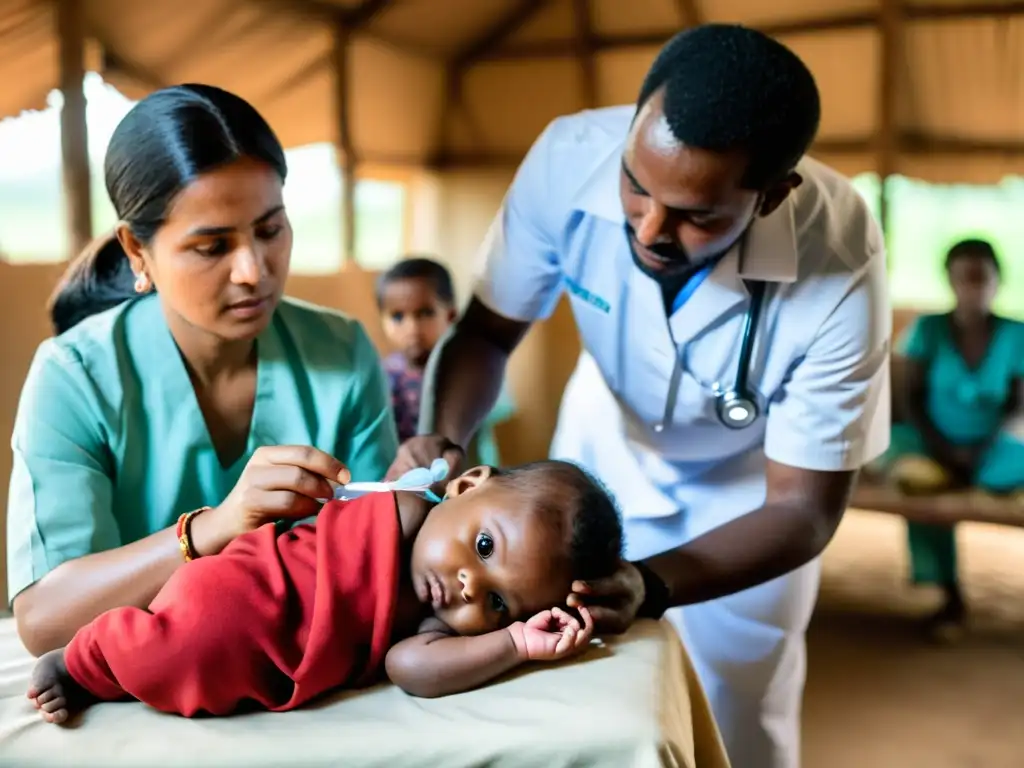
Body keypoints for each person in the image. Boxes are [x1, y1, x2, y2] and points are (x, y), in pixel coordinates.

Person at [387, 24, 890, 768]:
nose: (650, 229)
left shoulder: (841, 258)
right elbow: (488, 334)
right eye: (636, 187)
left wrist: (651, 583)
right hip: (599, 447)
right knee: (558, 687)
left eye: (698, 216)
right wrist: (441, 438)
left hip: (748, 489)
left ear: (774, 195)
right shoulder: (567, 159)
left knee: (742, 708)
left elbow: (803, 508)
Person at [6, 83, 399, 658]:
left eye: (270, 230)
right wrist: (216, 527)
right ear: (137, 253)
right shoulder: (75, 376)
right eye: (213, 247)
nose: (253, 271)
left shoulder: (341, 351)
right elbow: (44, 622)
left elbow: (382, 551)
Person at [27, 460, 620, 722]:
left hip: (269, 654)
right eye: (484, 547)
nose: (469, 586)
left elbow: (412, 669)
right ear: (465, 486)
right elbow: (343, 504)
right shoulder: (408, 510)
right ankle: (82, 663)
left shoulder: (433, 629)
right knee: (171, 647)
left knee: (192, 668)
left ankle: (103, 659)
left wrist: (514, 644)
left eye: (496, 604)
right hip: (247, 586)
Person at [876, 239, 1024, 640]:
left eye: (981, 276)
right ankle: (949, 595)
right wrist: (945, 449)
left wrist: (978, 452)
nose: (973, 285)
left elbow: (1018, 408)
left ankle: (977, 477)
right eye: (965, 276)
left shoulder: (1015, 334)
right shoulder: (928, 328)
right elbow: (911, 400)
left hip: (993, 447)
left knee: (1008, 466)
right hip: (932, 443)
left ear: (998, 281)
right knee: (915, 482)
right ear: (950, 280)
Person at [377, 256, 516, 466]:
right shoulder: (382, 375)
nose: (412, 328)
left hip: (467, 473)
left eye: (425, 313)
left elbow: (500, 407)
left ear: (451, 315)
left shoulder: (467, 367)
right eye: (398, 317)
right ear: (382, 321)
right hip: (407, 480)